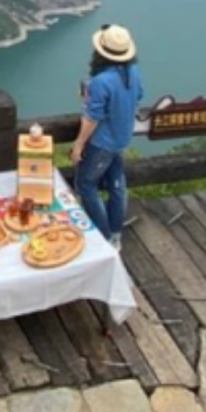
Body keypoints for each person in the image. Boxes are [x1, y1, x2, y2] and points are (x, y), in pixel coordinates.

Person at [72, 24, 143, 247]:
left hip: (102, 143)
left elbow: (92, 117)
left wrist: (78, 145)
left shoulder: (100, 82)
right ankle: (116, 235)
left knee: (86, 185)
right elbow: (138, 96)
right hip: (121, 139)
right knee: (116, 185)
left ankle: (103, 239)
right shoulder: (133, 72)